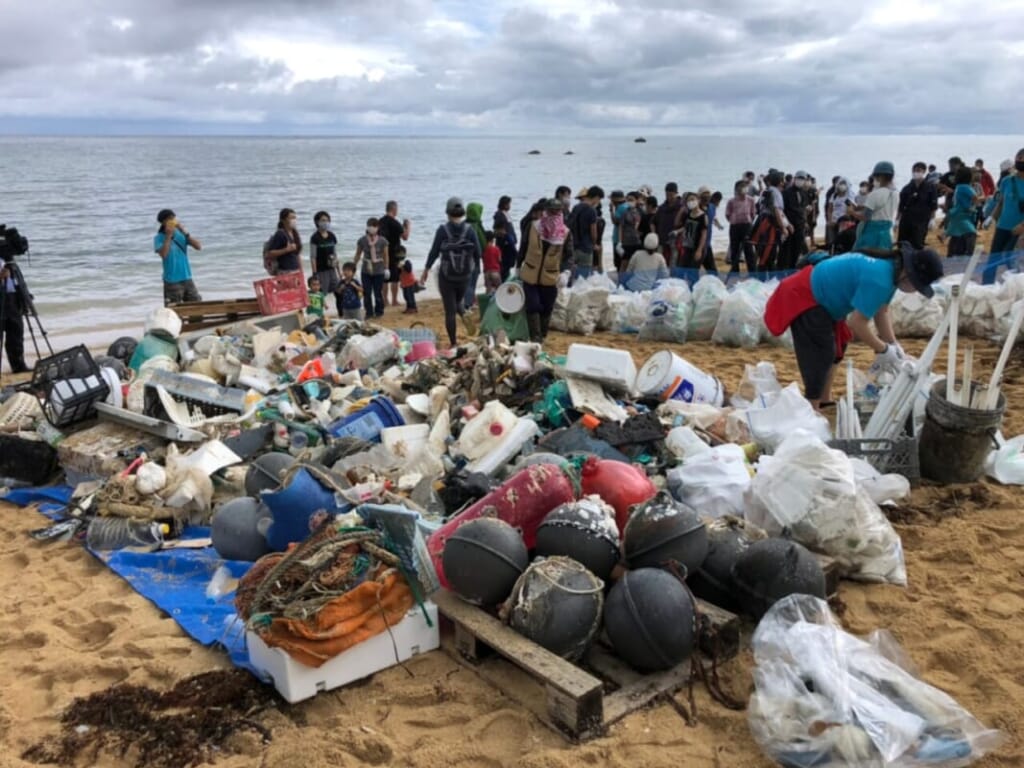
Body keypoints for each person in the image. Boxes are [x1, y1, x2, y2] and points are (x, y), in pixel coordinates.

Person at [765, 245, 944, 409]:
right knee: (821, 354)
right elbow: (857, 323)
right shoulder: (880, 279)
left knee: (838, 348)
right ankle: (812, 407)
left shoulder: (891, 272)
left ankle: (824, 400)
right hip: (808, 296)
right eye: (916, 285)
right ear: (908, 273)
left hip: (828, 302)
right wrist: (883, 349)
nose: (915, 290)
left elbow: (881, 312)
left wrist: (895, 347)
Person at [422, 197, 481, 347]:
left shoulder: (443, 230)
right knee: (457, 301)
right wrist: (476, 270)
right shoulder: (470, 230)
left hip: (447, 276)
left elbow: (434, 252)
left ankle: (453, 342)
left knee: (449, 311)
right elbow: (478, 253)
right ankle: (464, 313)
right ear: (463, 212)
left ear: (448, 213)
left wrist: (426, 270)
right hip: (464, 277)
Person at [519, 198, 568, 343]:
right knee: (533, 305)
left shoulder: (565, 233)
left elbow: (569, 255)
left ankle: (543, 334)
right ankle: (536, 338)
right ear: (545, 211)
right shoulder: (533, 227)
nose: (553, 215)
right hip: (531, 273)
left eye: (556, 212)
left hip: (550, 275)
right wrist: (517, 265)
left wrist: (566, 272)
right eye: (550, 211)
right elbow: (523, 247)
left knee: (547, 307)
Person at [982, 147, 1024, 284]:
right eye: (1018, 158)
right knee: (993, 259)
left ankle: (1016, 287)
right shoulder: (1007, 181)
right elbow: (1000, 203)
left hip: (1020, 230)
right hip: (1002, 226)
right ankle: (986, 287)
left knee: (1010, 258)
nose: (1020, 161)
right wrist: (991, 218)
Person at [154, 209, 202, 305]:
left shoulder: (181, 234)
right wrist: (168, 236)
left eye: (173, 218)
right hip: (172, 281)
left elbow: (198, 247)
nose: (172, 221)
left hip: (187, 277)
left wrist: (184, 232)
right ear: (163, 222)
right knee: (173, 311)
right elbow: (164, 254)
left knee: (196, 305)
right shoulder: (158, 237)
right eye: (169, 219)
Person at [851, 162, 898, 252]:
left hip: (872, 234)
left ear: (880, 177)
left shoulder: (875, 194)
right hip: (888, 233)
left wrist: (852, 212)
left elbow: (865, 217)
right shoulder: (895, 193)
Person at [897, 162, 938, 251]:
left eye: (918, 170)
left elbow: (933, 205)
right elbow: (901, 206)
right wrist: (897, 220)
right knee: (903, 244)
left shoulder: (931, 187)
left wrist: (932, 219)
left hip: (922, 220)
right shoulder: (906, 188)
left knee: (918, 243)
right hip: (906, 219)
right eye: (914, 170)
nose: (916, 172)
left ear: (924, 172)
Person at [354, 217, 388, 318]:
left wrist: (386, 268)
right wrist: (353, 266)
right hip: (366, 269)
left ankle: (379, 311)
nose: (372, 228)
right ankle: (368, 312)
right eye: (370, 226)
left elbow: (386, 255)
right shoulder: (362, 240)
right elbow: (358, 254)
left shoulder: (383, 241)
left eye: (374, 226)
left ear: (378, 227)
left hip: (379, 270)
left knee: (378, 292)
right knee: (367, 292)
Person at [378, 201, 410, 307]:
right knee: (395, 278)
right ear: (394, 209)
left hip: (381, 252)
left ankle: (385, 300)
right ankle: (394, 300)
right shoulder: (394, 222)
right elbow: (405, 237)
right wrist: (408, 226)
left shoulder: (380, 222)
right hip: (394, 252)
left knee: (384, 278)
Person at [942, 166, 978, 258]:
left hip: (956, 213)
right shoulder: (966, 187)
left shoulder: (959, 186)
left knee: (956, 235)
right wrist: (987, 198)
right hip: (963, 214)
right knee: (970, 234)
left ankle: (951, 255)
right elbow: (975, 198)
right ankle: (969, 254)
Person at [567, 186, 603, 279]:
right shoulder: (592, 211)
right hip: (586, 247)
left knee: (571, 275)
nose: (598, 202)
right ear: (596, 197)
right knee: (583, 278)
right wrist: (594, 244)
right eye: (599, 199)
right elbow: (593, 232)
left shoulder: (575, 207)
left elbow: (569, 225)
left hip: (573, 246)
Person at [0, 254, 28, 372]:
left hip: (11, 297)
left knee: (16, 332)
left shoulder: (8, 259)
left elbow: (20, 247)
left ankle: (18, 366)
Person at [309, 211, 340, 314]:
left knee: (338, 291)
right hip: (321, 271)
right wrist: (315, 273)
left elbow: (335, 254)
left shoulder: (332, 236)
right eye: (323, 220)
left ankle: (341, 312)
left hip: (332, 269)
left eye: (327, 220)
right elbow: (313, 257)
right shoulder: (315, 238)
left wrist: (339, 271)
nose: (325, 222)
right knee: (321, 293)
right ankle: (318, 314)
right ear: (317, 222)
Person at [673, 191, 712, 275]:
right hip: (687, 247)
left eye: (692, 199)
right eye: (688, 201)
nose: (691, 202)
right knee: (680, 271)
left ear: (698, 200)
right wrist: (677, 231)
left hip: (697, 248)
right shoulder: (689, 214)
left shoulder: (703, 216)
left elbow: (703, 234)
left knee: (692, 273)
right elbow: (680, 225)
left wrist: (699, 250)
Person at [725, 180, 757, 274]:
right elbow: (727, 214)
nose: (744, 189)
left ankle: (752, 273)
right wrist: (733, 220)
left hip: (747, 227)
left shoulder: (751, 200)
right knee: (734, 250)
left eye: (745, 186)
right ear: (736, 189)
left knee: (749, 250)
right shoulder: (731, 201)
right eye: (741, 187)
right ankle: (735, 272)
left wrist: (748, 222)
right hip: (734, 227)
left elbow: (753, 214)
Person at [781, 171, 810, 269]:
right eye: (799, 178)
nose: (800, 181)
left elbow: (804, 208)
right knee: (787, 248)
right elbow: (783, 210)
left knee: (797, 247)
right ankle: (785, 268)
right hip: (790, 224)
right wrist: (786, 224)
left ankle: (793, 267)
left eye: (803, 179)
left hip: (800, 224)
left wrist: (805, 221)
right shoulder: (786, 192)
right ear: (795, 178)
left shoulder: (804, 193)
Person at [464, 202, 488, 308]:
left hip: (461, 258)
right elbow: (482, 243)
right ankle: (467, 304)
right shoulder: (476, 227)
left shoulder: (462, 225)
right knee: (471, 282)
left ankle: (468, 302)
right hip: (473, 258)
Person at [655, 182, 683, 266]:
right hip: (662, 238)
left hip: (675, 239)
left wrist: (677, 231)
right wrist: (654, 234)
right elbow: (653, 222)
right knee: (660, 261)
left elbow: (686, 225)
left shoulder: (681, 208)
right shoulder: (662, 207)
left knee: (673, 262)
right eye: (667, 195)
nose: (669, 197)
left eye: (671, 195)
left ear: (675, 193)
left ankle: (672, 277)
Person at [266, 208, 302, 274]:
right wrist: (286, 250)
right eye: (291, 218)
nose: (294, 220)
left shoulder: (294, 233)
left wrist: (301, 270)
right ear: (283, 220)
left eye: (294, 218)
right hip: (284, 271)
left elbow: (297, 254)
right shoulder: (280, 234)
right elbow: (270, 253)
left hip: (296, 270)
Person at [493, 196, 518, 280]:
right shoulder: (500, 214)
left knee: (507, 267)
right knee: (504, 267)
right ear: (504, 204)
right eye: (508, 204)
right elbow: (499, 230)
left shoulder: (504, 213)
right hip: (505, 245)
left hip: (508, 244)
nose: (509, 206)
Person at [618, 192, 643, 273]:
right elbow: (621, 227)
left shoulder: (640, 211)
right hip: (627, 241)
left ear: (636, 200)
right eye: (628, 200)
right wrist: (620, 241)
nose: (629, 201)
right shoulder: (625, 213)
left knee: (637, 263)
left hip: (637, 241)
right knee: (624, 262)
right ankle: (621, 280)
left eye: (631, 200)